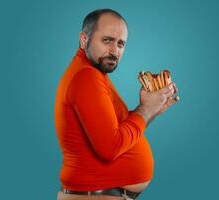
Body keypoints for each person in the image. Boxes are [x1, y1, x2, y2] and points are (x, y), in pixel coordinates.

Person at [54, 8, 179, 200]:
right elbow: (110, 148)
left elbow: (117, 131)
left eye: (121, 44)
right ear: (83, 39)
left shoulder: (92, 72)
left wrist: (152, 110)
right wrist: (144, 110)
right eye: (107, 40)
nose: (114, 51)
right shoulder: (86, 77)